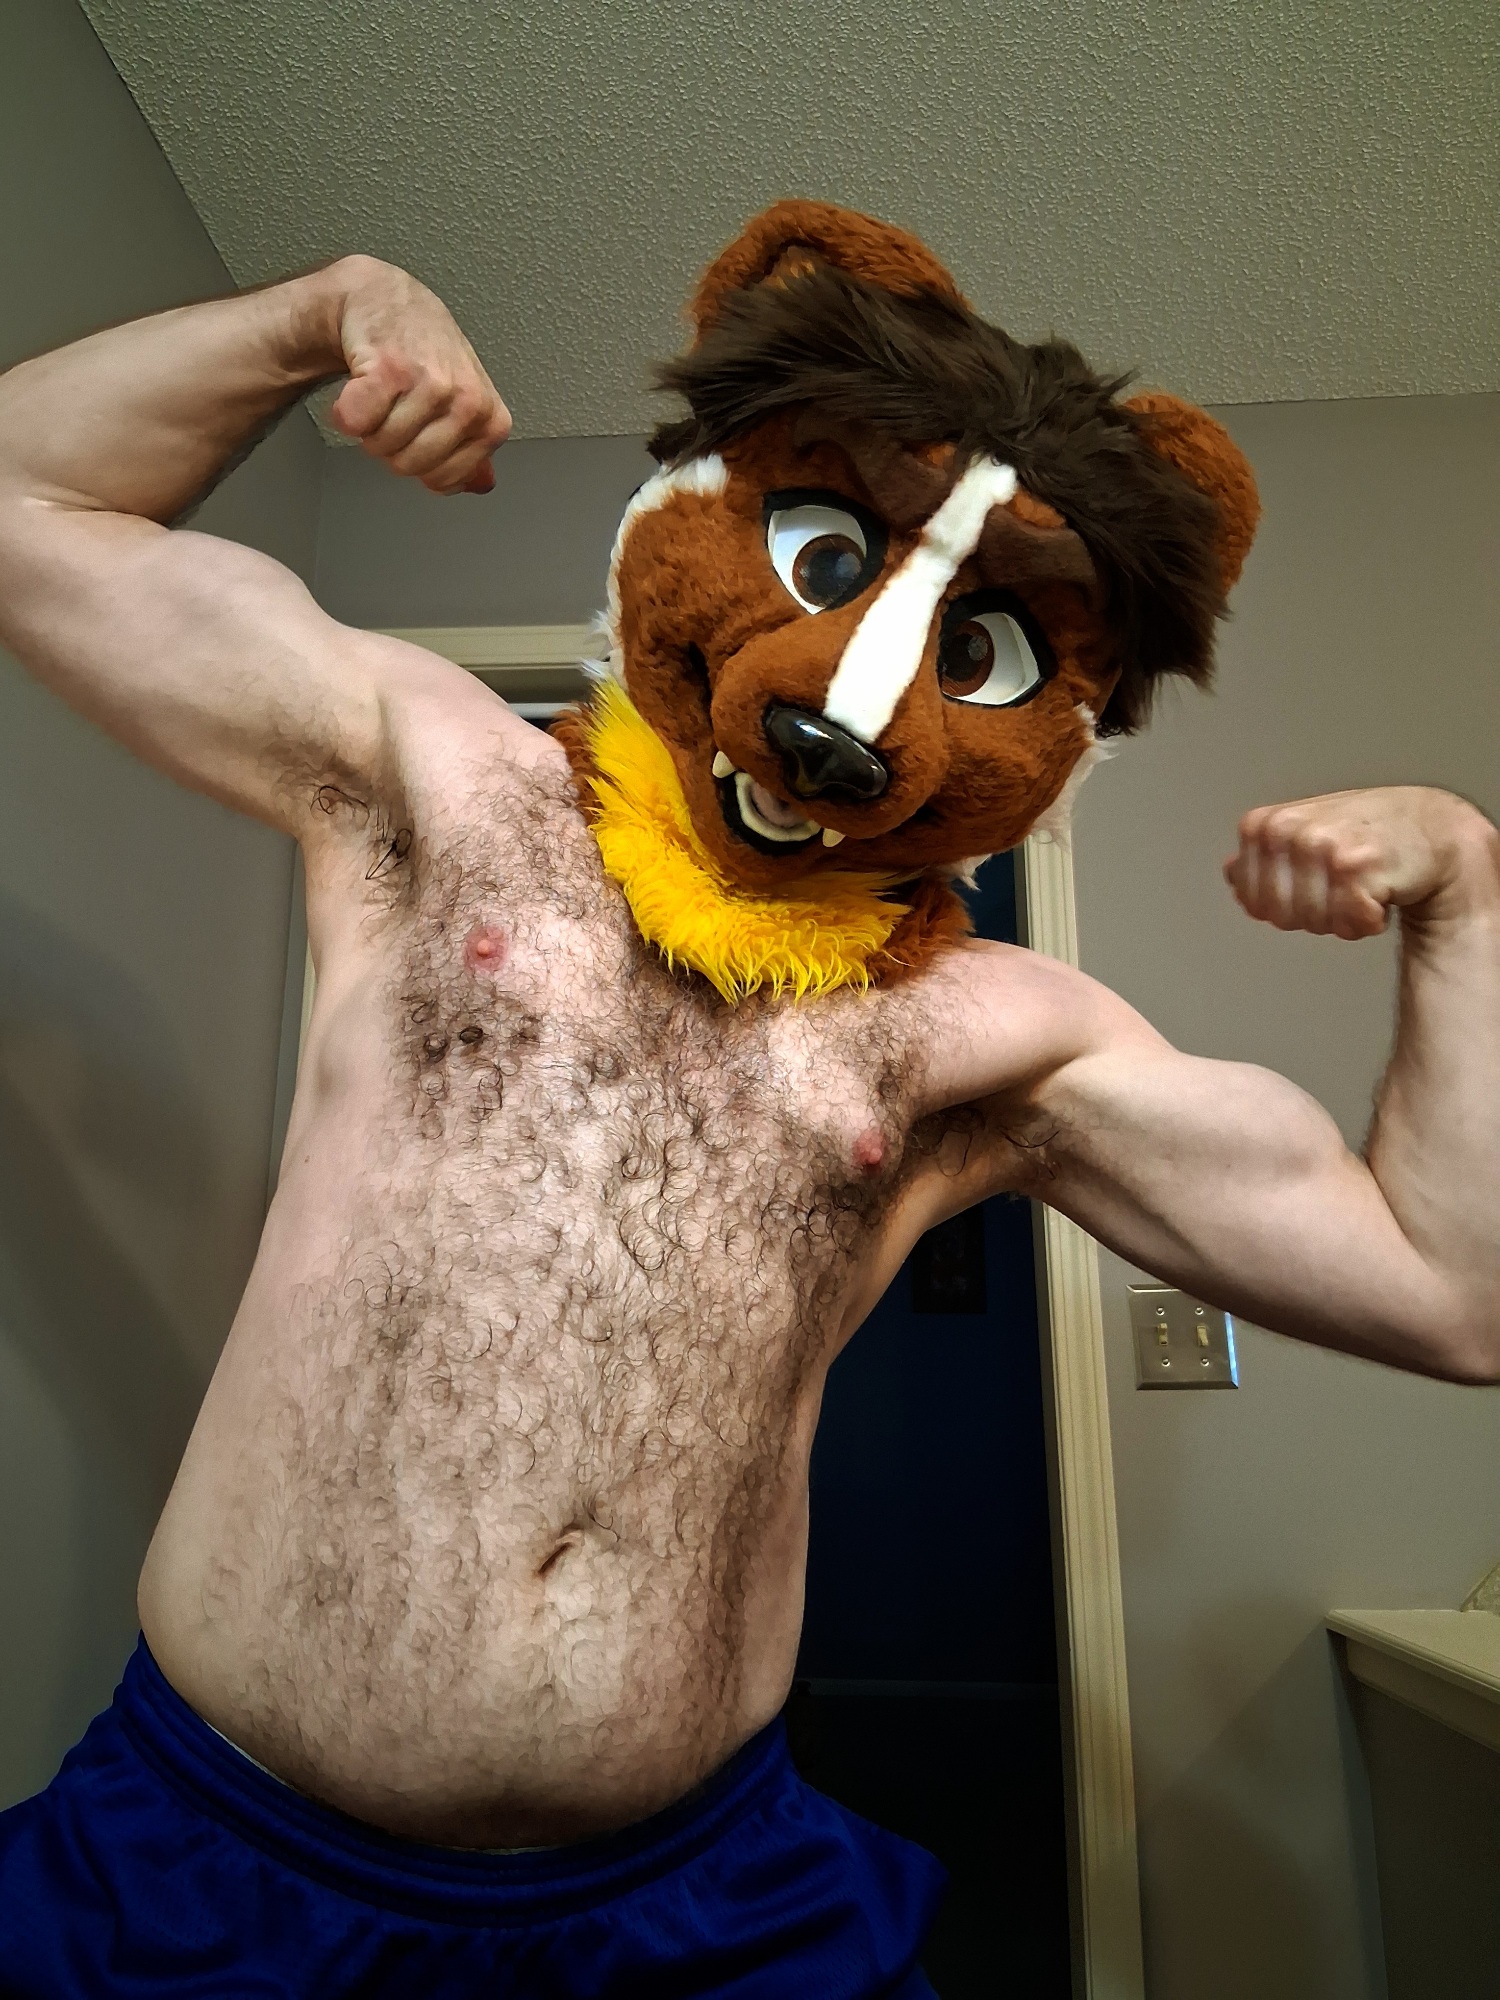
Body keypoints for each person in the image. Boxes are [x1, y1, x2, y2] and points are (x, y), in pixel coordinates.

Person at [0, 246, 1496, 1999]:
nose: (851, 713)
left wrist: (1467, 884)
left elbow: (1449, 1291)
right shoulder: (442, 780)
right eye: (836, 560)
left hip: (703, 1913)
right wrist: (315, 313)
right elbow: (28, 505)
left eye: (978, 648)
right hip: (208, 1869)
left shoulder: (992, 1034)